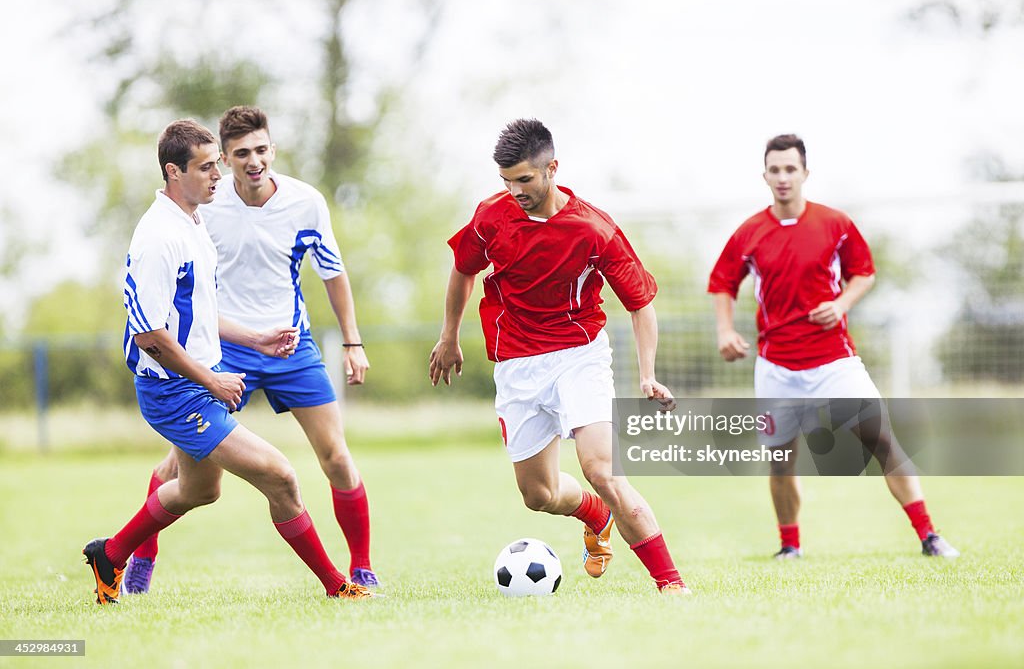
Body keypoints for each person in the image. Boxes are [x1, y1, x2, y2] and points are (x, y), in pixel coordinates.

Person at [83, 119, 372, 605]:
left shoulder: (193, 221)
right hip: (174, 392)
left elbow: (199, 313)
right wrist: (210, 380)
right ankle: (338, 586)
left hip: (195, 382)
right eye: (207, 166)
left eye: (218, 163)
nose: (218, 175)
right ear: (174, 172)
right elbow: (151, 335)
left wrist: (256, 338)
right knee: (280, 476)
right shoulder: (160, 237)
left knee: (200, 490)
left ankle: (111, 554)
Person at [429, 118, 689, 594]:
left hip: (579, 356)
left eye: (524, 179)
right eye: (506, 181)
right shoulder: (491, 216)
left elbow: (641, 304)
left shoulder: (594, 229)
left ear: (552, 168)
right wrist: (449, 336)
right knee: (539, 495)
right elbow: (463, 269)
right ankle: (595, 514)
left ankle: (671, 584)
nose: (514, 190)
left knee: (601, 470)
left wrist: (647, 374)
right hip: (516, 364)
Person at [707, 133, 959, 559]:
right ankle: (790, 548)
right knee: (780, 461)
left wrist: (840, 303)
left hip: (833, 361)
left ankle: (929, 536)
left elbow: (865, 272)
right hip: (776, 367)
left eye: (791, 169)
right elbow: (722, 283)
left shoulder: (835, 223)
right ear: (764, 175)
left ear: (805, 173)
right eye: (775, 170)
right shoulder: (749, 232)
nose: (783, 177)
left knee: (882, 442)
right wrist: (725, 331)